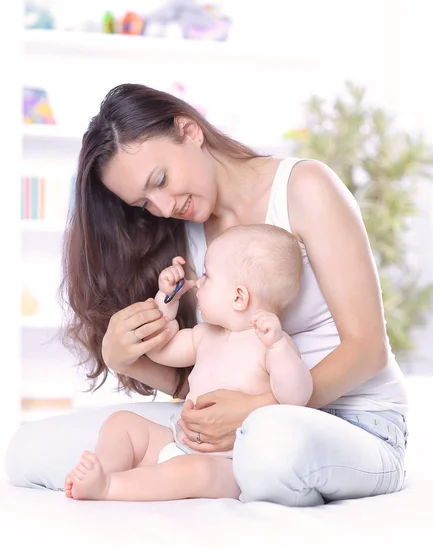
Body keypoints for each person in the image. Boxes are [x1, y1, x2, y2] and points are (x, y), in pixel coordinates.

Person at [5, 83, 408, 507]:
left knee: (269, 446)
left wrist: (257, 409)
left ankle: (225, 469)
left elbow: (368, 350)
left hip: (355, 421)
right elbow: (203, 382)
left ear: (190, 131)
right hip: (242, 432)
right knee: (29, 451)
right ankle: (182, 475)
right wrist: (124, 358)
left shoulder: (304, 188)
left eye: (160, 180)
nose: (161, 207)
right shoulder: (189, 235)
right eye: (144, 203)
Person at [64, 224, 312, 501]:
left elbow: (296, 397)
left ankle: (109, 488)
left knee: (193, 470)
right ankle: (105, 472)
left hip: (226, 465)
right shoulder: (204, 336)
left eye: (207, 275)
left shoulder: (272, 346)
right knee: (120, 422)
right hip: (177, 440)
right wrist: (166, 300)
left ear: (238, 297)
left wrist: (278, 346)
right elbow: (160, 350)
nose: (197, 282)